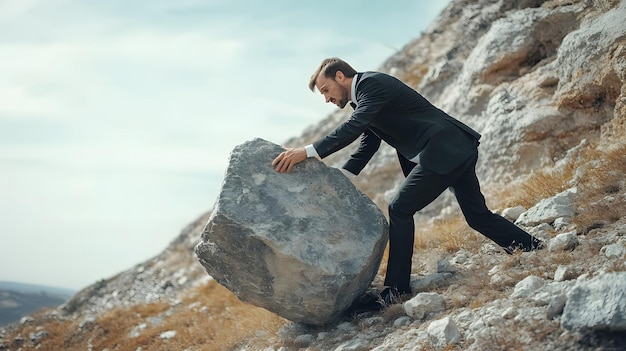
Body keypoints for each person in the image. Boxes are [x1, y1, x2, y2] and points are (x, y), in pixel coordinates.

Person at [272, 57, 543, 310]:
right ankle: (531, 246)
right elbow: (369, 140)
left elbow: (355, 127)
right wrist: (344, 177)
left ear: (340, 76)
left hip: (444, 148)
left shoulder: (371, 85)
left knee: (399, 208)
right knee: (477, 216)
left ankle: (396, 290)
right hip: (453, 147)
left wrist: (306, 151)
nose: (327, 98)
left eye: (325, 90)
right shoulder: (363, 98)